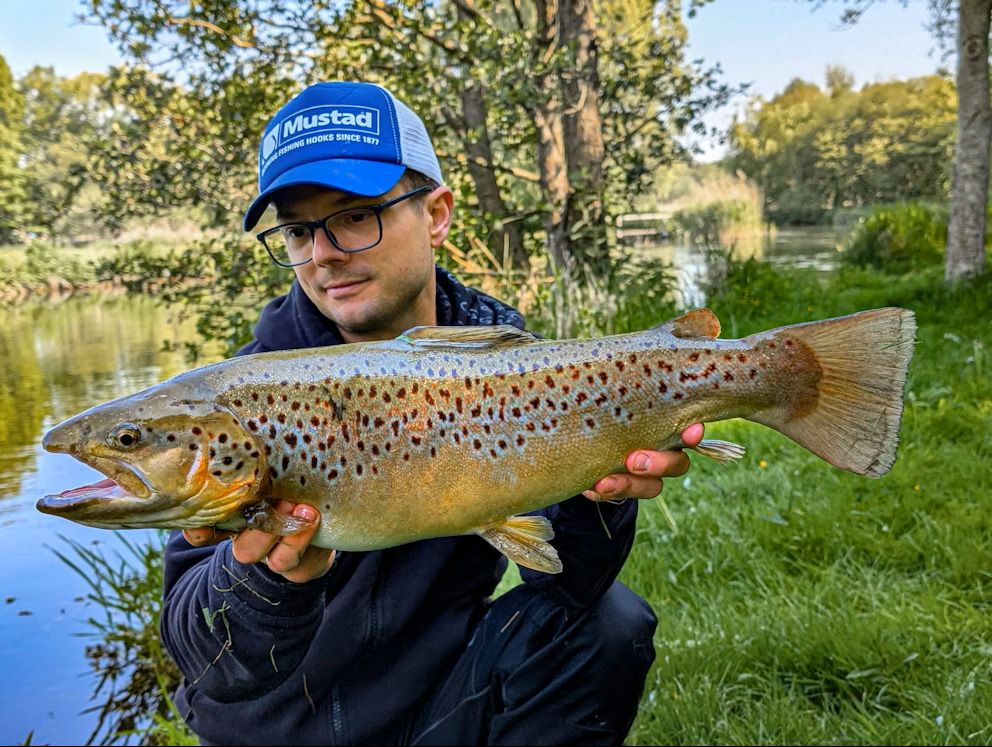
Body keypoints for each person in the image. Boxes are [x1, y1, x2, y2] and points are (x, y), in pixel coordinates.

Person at [163, 81, 704, 746]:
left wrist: (601, 484)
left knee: (607, 625)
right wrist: (265, 579)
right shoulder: (236, 405)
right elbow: (200, 656)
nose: (324, 252)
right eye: (299, 230)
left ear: (439, 213)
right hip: (276, 733)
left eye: (356, 214)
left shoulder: (508, 369)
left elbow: (571, 584)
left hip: (437, 708)